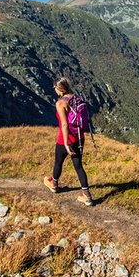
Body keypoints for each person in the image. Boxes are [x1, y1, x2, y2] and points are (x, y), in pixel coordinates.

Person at [43, 77, 94, 206]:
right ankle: (86, 195)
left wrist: (65, 143)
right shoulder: (76, 99)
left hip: (65, 139)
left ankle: (54, 183)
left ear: (59, 89)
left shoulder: (60, 103)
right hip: (79, 137)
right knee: (78, 166)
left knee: (58, 162)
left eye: (54, 88)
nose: (54, 90)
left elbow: (64, 125)